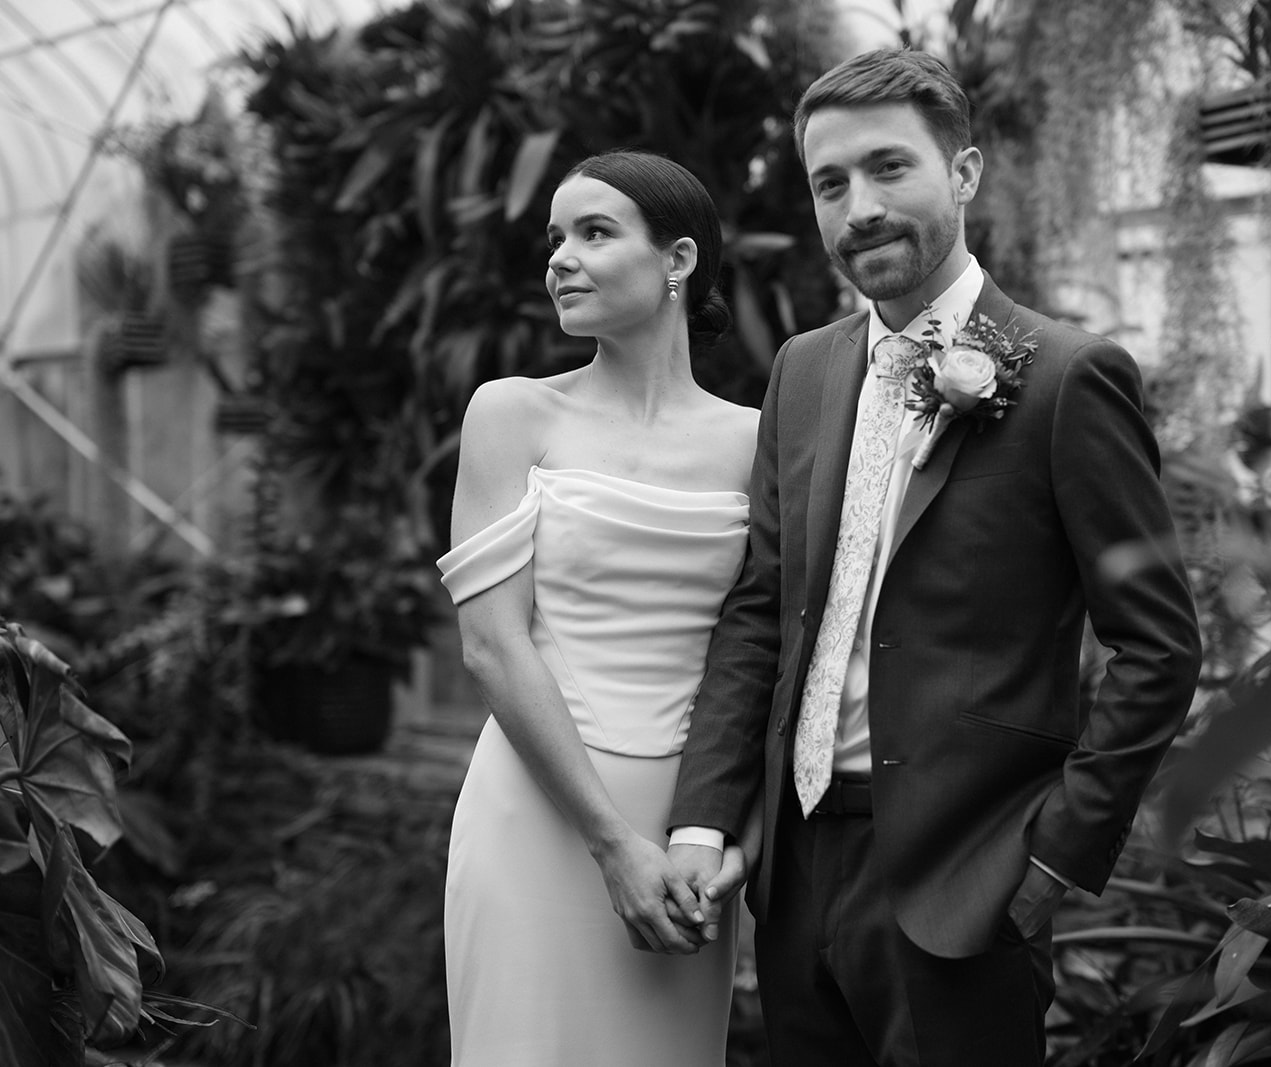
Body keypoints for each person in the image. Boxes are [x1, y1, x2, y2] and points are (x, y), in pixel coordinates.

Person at [665, 49, 1204, 1066]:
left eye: (888, 168)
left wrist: (1053, 856)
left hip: (966, 875)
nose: (857, 206)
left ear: (961, 174)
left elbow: (1159, 645)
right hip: (794, 865)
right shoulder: (802, 369)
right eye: (830, 184)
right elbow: (760, 609)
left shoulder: (1066, 379)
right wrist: (703, 815)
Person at [436, 149, 758, 1066]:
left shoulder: (758, 440)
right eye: (555, 238)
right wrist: (612, 843)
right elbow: (492, 646)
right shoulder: (511, 413)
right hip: (537, 814)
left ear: (679, 260)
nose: (560, 258)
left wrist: (738, 841)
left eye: (594, 232)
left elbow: (772, 649)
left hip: (688, 840)